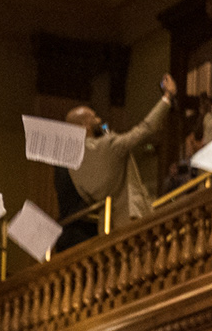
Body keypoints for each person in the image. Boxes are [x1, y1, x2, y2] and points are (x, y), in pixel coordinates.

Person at [67, 74, 176, 228]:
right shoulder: (109, 145)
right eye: (95, 117)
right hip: (130, 216)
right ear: (85, 125)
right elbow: (146, 128)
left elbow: (86, 196)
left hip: (106, 224)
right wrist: (167, 96)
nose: (99, 119)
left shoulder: (72, 162)